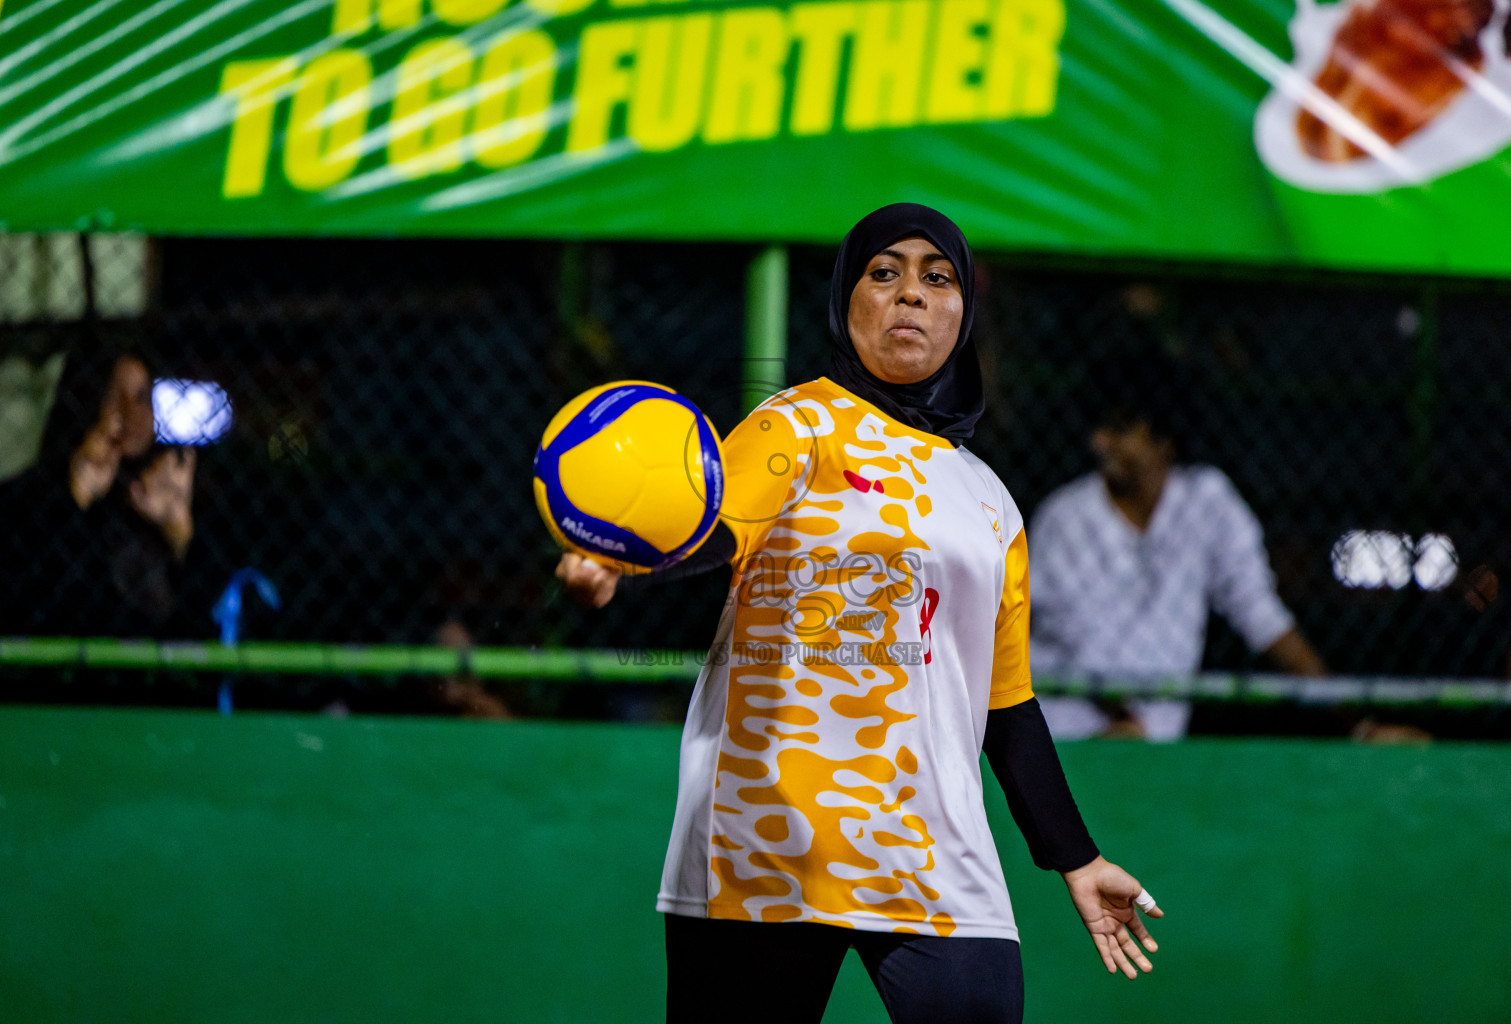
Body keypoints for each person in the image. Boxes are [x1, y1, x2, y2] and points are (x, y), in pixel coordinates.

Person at [556, 205, 1162, 1023]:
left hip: (935, 859)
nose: (910, 293)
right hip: (764, 843)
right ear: (847, 300)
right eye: (885, 272)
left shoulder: (990, 500)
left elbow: (1006, 705)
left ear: (963, 314)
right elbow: (711, 525)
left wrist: (1076, 858)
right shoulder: (794, 425)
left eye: (935, 276)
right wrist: (623, 565)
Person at [1028, 354, 1326, 742]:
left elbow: (1262, 616)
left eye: (1120, 428)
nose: (1099, 442)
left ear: (1164, 441)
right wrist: (1127, 721)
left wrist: (1358, 723)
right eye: (1099, 428)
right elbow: (1075, 641)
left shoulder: (1208, 503)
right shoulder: (1066, 516)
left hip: (1151, 747)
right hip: (1063, 738)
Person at [0, 344, 201, 638]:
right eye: (115, 396)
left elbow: (199, 626)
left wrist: (179, 530)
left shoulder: (167, 487)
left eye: (143, 398)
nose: (133, 414)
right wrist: (74, 499)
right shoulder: (27, 498)